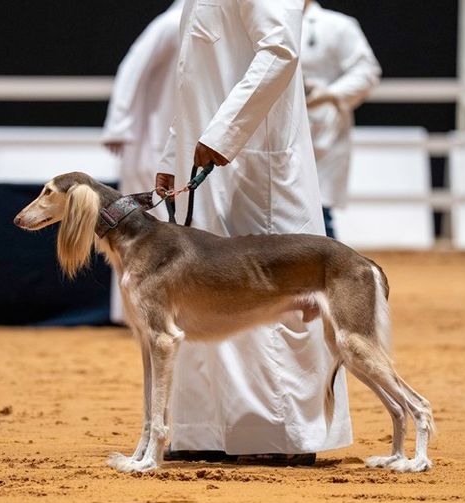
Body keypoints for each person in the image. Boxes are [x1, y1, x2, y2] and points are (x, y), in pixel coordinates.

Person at [158, 0, 351, 463]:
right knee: (201, 292)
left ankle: (277, 434)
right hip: (208, 157)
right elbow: (194, 78)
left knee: (264, 293)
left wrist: (224, 133)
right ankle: (204, 430)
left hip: (253, 162)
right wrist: (172, 154)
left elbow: (280, 50)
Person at [102, 0, 183, 323]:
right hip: (149, 143)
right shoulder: (171, 23)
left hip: (174, 143)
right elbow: (131, 68)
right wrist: (119, 126)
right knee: (139, 230)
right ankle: (137, 311)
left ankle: (164, 307)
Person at [301, 0, 381, 238]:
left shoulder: (337, 26)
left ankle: (331, 273)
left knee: (318, 212)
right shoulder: (261, 19)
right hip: (271, 133)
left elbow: (367, 71)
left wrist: (330, 94)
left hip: (321, 132)